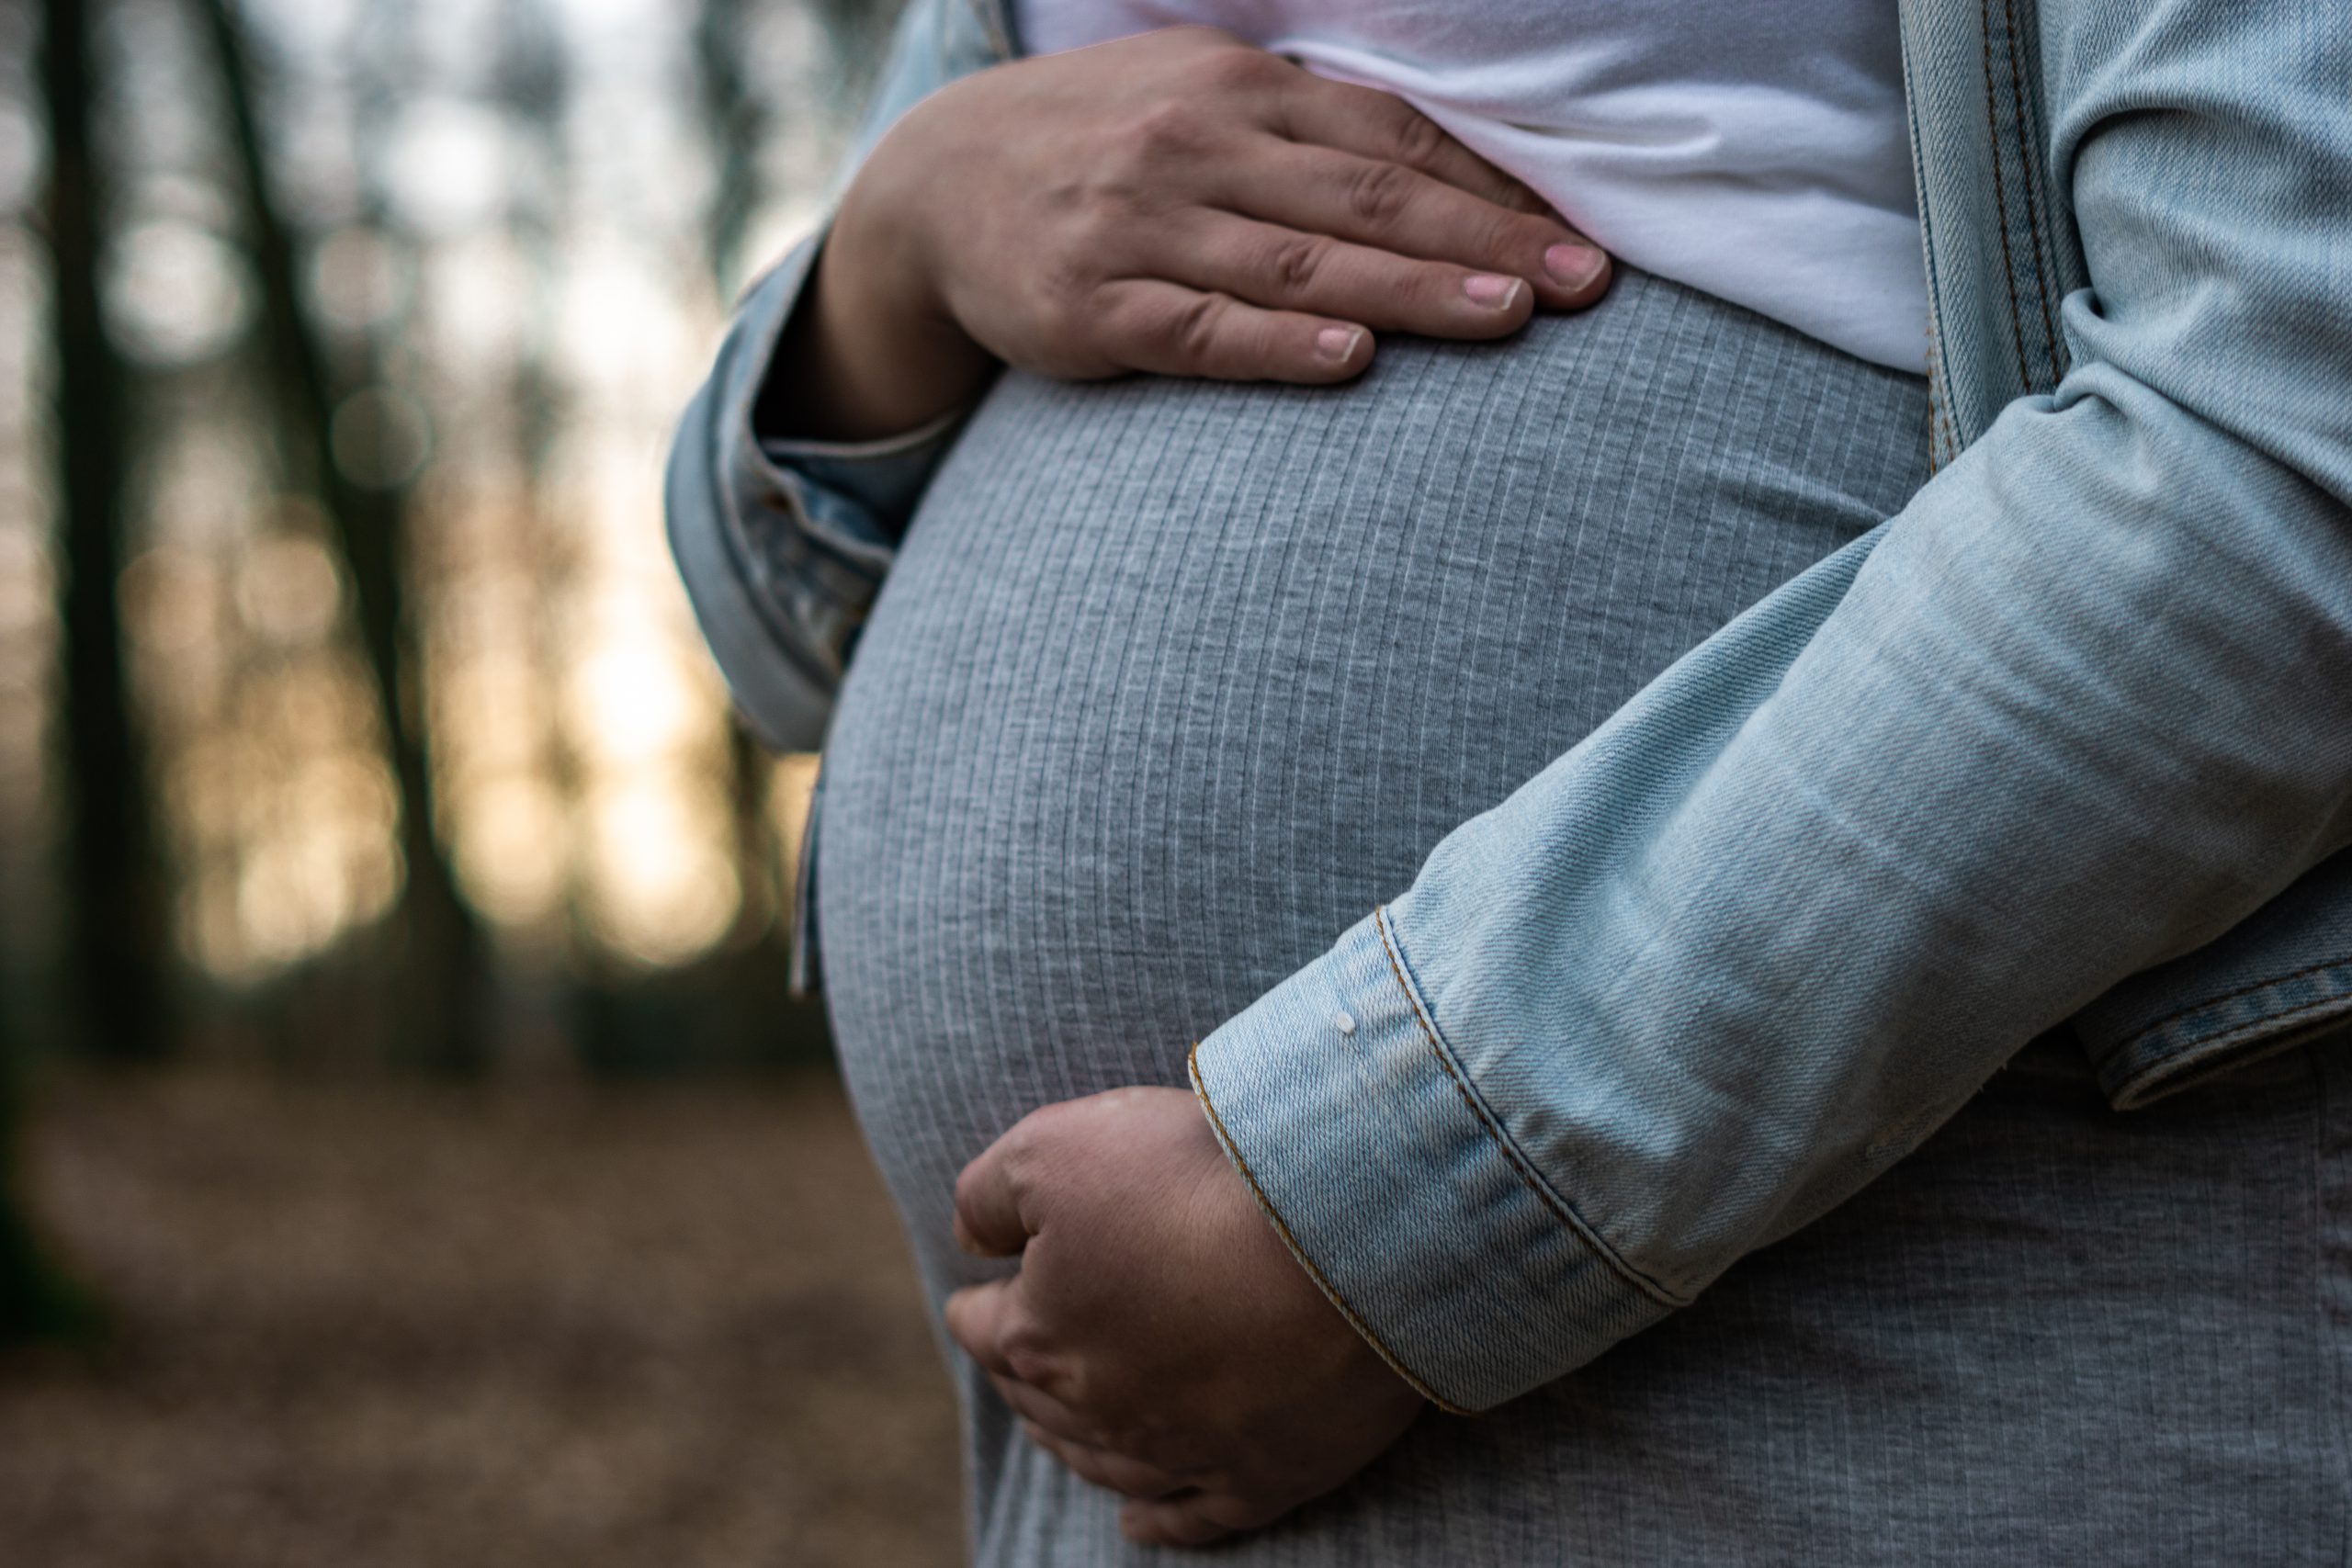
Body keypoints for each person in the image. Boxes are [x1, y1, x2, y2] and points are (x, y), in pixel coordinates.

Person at [666, 2, 2352, 1562]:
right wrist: (885, 254)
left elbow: (2290, 414)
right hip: (1112, 1458)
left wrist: (1394, 1200)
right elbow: (771, 623)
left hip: (1867, 1351)